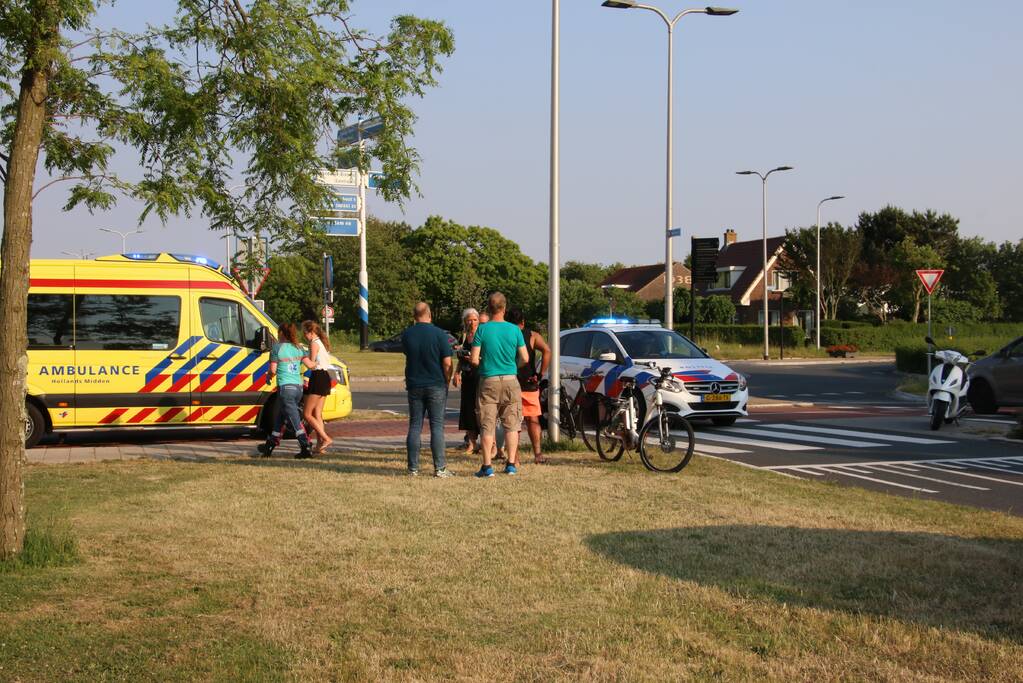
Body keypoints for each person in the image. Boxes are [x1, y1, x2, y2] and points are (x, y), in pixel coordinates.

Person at [470, 292, 527, 477]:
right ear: (504, 307)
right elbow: (525, 358)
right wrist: (513, 366)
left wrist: (485, 363)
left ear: (489, 308)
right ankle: (511, 463)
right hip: (511, 379)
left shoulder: (482, 330)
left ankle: (487, 466)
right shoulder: (514, 330)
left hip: (489, 380)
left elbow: (474, 360)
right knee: (511, 423)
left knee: (488, 423)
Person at [401, 302, 455, 477]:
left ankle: (413, 468)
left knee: (415, 425)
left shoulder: (407, 334)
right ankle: (439, 468)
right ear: (430, 315)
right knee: (437, 426)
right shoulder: (439, 334)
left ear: (414, 316)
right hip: (436, 383)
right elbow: (447, 362)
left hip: (414, 384)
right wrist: (447, 379)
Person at [259, 323, 315, 459]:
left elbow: (272, 370)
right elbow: (310, 365)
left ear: (282, 333)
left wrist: (268, 377)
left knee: (294, 419)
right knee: (280, 417)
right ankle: (270, 444)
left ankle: (305, 445)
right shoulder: (299, 348)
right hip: (298, 388)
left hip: (285, 388)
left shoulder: (277, 348)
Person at [506, 308, 552, 464]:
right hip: (529, 382)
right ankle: (538, 454)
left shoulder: (506, 335)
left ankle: (515, 457)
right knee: (533, 419)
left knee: (513, 422)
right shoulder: (532, 336)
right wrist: (540, 373)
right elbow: (547, 351)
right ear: (523, 322)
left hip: (511, 382)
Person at [301, 320, 333, 454]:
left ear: (311, 332)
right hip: (325, 377)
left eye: (305, 333)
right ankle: (320, 444)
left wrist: (301, 355)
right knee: (317, 413)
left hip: (318, 377)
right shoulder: (321, 342)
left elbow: (312, 364)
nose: (304, 336)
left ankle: (325, 438)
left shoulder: (314, 344)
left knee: (307, 414)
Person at [453, 308, 481, 454]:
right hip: (467, 376)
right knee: (467, 409)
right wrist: (456, 373)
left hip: (480, 375)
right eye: (469, 319)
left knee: (481, 410)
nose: (472, 322)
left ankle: (489, 443)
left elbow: (486, 356)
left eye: (474, 319)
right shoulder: (463, 337)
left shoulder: (482, 335)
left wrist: (474, 359)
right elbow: (460, 357)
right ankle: (471, 443)